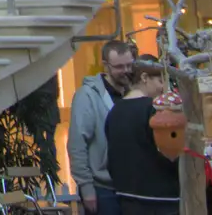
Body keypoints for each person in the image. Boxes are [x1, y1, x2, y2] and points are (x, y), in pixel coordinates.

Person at [68, 39, 138, 215]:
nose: (127, 71)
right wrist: (86, 187)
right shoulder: (88, 96)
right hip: (103, 188)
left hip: (132, 187)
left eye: (130, 65)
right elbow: (77, 144)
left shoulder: (134, 93)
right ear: (106, 66)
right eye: (120, 67)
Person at [103, 59, 180, 215]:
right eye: (160, 81)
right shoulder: (154, 110)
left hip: (126, 197)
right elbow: (169, 152)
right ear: (144, 78)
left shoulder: (114, 111)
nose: (164, 88)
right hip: (160, 199)